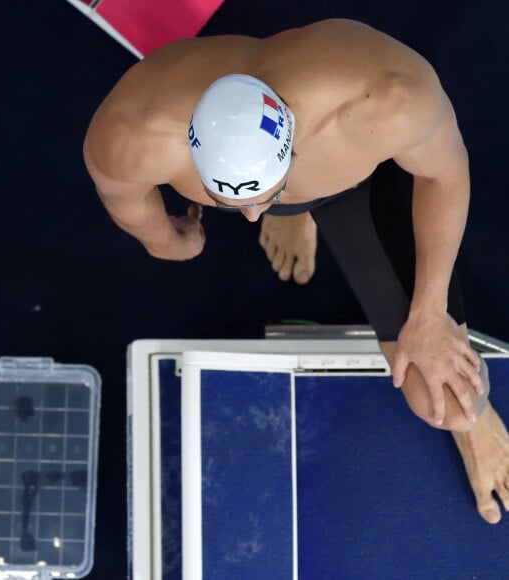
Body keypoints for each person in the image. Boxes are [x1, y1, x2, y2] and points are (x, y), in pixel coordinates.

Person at [83, 18, 509, 524]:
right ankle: (296, 210)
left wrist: (430, 312)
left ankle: (480, 427)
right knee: (268, 208)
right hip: (310, 158)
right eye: (229, 201)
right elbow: (125, 199)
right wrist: (171, 239)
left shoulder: (388, 98)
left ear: (293, 149)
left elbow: (447, 172)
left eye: (268, 197)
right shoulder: (133, 134)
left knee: (441, 394)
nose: (250, 217)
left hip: (360, 173)